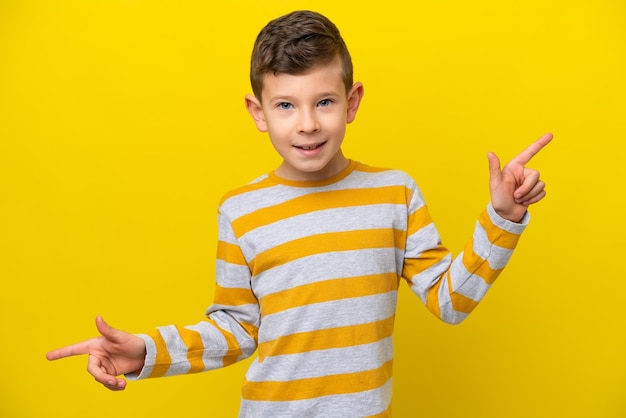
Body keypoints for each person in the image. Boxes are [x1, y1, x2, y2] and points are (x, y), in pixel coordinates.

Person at [46, 10, 552, 417]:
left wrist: (503, 219)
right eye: (286, 106)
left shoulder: (394, 192)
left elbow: (451, 302)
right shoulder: (240, 210)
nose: (307, 124)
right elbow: (237, 329)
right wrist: (147, 352)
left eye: (324, 101)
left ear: (352, 102)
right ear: (258, 113)